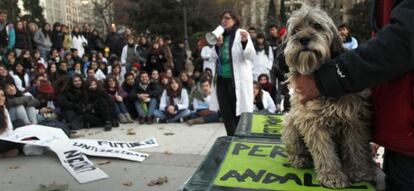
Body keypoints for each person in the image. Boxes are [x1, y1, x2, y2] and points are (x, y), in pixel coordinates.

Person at [292, 0, 414, 190]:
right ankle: (309, 159)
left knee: (354, 121)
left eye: (316, 27)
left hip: (409, 140)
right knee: (296, 124)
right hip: (399, 135)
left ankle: (355, 165)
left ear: (333, 38)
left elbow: (403, 39)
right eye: (296, 30)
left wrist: (326, 79)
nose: (304, 36)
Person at [209, 10, 256, 136]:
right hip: (221, 80)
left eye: (227, 18)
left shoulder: (241, 34)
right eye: (222, 18)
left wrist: (245, 42)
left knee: (239, 111)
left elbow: (250, 55)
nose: (223, 21)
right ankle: (231, 138)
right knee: (226, 112)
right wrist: (217, 45)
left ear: (234, 20)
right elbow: (212, 58)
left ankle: (241, 138)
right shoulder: (220, 36)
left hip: (236, 81)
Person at [0, 88, 22, 158]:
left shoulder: (4, 109)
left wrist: (12, 137)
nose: (1, 98)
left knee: (20, 123)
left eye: (2, 96)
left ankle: (4, 152)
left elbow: (10, 128)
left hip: (6, 138)